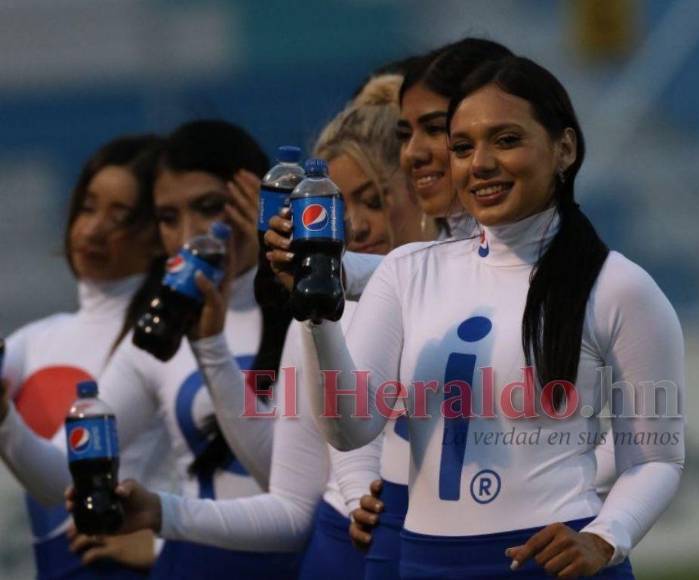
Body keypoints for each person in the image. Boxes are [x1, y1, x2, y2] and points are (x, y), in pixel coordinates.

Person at [299, 54, 685, 579]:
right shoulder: (406, 271)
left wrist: (604, 537)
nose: (479, 164)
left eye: (505, 140)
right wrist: (317, 317)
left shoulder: (619, 285)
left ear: (565, 148)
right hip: (423, 563)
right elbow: (349, 429)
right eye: (462, 147)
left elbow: (657, 459)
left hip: (554, 565)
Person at [88, 73, 438, 580]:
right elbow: (295, 496)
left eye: (374, 199)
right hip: (340, 557)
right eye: (336, 207)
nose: (354, 225)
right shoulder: (315, 313)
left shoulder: (454, 295)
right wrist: (163, 513)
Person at [0, 120, 306, 579]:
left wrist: (161, 532)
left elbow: (295, 493)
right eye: (167, 218)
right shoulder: (159, 339)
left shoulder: (314, 313)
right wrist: (5, 419)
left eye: (209, 207)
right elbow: (66, 475)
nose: (189, 234)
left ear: (255, 200)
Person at [0, 134, 173, 579]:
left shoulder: (159, 344)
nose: (93, 229)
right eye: (87, 207)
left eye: (120, 217)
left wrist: (162, 545)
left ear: (160, 234)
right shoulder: (33, 339)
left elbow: (63, 481)